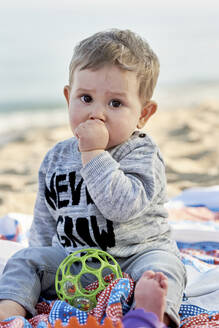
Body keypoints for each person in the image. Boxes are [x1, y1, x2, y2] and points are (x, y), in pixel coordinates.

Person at [0, 29, 186, 327]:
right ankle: (9, 314)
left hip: (136, 256)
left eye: (115, 104)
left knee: (164, 270)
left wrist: (94, 153)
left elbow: (123, 205)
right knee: (24, 260)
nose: (96, 114)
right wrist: (40, 254)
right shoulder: (56, 157)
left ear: (144, 114)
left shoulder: (142, 152)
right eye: (85, 98)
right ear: (67, 98)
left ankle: (150, 316)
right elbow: (46, 218)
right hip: (74, 261)